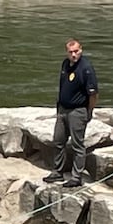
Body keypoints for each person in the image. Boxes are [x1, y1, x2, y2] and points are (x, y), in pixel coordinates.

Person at [44, 39, 98, 189]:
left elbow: (93, 94)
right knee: (58, 141)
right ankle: (57, 171)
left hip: (78, 110)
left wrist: (89, 111)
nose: (74, 55)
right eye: (70, 52)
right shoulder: (65, 65)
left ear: (81, 50)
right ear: (66, 52)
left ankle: (76, 176)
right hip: (63, 109)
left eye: (76, 51)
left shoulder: (86, 68)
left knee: (77, 144)